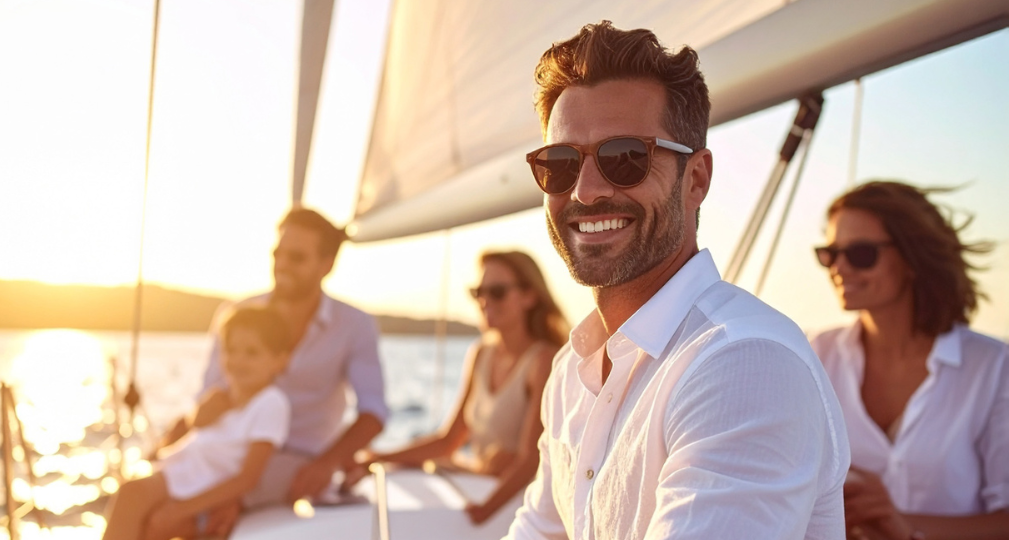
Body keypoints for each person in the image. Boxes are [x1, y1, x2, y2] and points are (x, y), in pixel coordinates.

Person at [504, 22, 849, 539]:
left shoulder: (744, 363)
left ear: (697, 179)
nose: (586, 191)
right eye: (560, 163)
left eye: (625, 158)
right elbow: (539, 529)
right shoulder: (572, 370)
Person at [166, 208, 389, 535]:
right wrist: (194, 420)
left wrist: (327, 463)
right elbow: (207, 399)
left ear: (326, 265)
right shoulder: (236, 314)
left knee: (178, 518)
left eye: (296, 258)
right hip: (230, 451)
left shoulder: (355, 326)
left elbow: (373, 412)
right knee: (143, 497)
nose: (282, 265)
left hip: (296, 459)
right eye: (277, 255)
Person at [808, 181, 1007, 540]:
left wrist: (904, 525)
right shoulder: (816, 354)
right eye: (830, 254)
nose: (839, 267)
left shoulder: (994, 368)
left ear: (913, 258)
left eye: (861, 254)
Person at [348, 250, 566, 525]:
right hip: (483, 487)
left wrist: (484, 512)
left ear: (529, 296)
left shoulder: (544, 361)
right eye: (479, 292)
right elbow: (449, 440)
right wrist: (377, 458)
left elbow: (530, 460)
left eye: (497, 292)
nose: (485, 301)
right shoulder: (481, 354)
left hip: (519, 503)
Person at [103, 307, 294, 540]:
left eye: (251, 353)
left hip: (202, 496)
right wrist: (198, 417)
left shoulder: (271, 403)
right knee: (130, 495)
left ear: (280, 360)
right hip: (178, 480)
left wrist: (179, 511)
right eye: (231, 350)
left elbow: (248, 478)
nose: (238, 360)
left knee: (150, 518)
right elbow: (186, 432)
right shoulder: (219, 398)